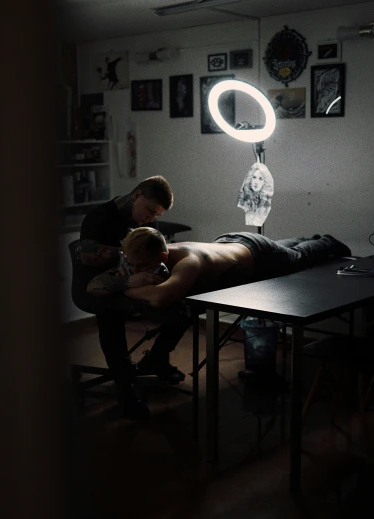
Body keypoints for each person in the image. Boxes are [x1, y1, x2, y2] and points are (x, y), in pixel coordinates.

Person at [72, 176, 185, 421]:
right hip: (96, 287)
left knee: (182, 308)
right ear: (137, 195)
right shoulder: (100, 218)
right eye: (150, 210)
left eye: (157, 214)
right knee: (110, 315)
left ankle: (156, 359)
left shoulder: (142, 222)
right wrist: (127, 271)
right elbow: (86, 256)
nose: (151, 218)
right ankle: (126, 390)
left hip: (131, 283)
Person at [88, 228, 351, 311]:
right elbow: (94, 286)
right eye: (131, 264)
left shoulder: (189, 262)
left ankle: (326, 240)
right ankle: (306, 237)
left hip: (256, 254)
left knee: (296, 258)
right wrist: (131, 278)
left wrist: (127, 285)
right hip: (230, 242)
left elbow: (160, 297)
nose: (134, 268)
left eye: (141, 266)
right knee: (283, 248)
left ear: (163, 254)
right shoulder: (143, 254)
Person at [237, 162, 274, 227]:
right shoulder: (245, 202)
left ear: (264, 182)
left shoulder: (265, 205)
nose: (256, 182)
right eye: (254, 177)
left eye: (260, 179)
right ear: (250, 179)